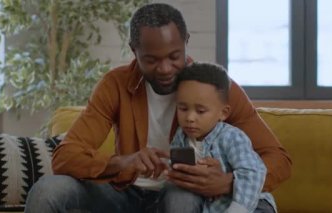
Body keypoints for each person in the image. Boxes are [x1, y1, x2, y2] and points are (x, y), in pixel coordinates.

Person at [25, 3, 291, 213]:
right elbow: (65, 157)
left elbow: (278, 159)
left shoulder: (216, 88)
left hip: (184, 195)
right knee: (48, 190)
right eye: (151, 59)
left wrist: (227, 182)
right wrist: (124, 161)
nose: (165, 69)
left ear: (186, 41)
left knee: (180, 200)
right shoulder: (115, 84)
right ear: (134, 50)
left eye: (174, 57)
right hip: (127, 192)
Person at [169, 62, 276, 213]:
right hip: (213, 206)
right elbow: (173, 164)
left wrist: (238, 209)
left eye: (200, 111)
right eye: (183, 108)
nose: (190, 118)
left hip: (250, 203)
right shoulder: (181, 136)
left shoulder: (232, 137)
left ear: (223, 113)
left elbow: (253, 173)